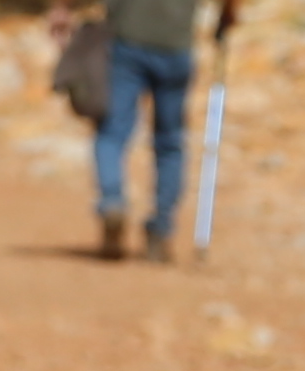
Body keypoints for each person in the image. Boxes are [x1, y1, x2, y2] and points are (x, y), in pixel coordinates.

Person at [95, 0, 231, 262]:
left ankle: (112, 200)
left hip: (127, 40)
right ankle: (161, 228)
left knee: (112, 131)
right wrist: (226, 19)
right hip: (176, 47)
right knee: (170, 141)